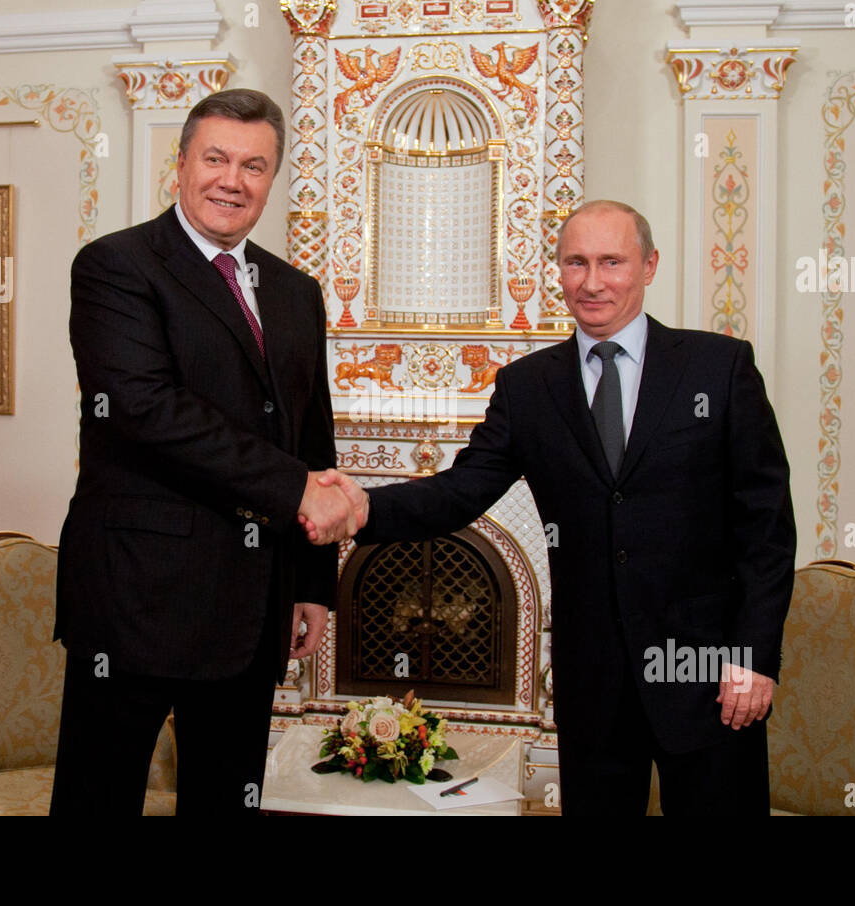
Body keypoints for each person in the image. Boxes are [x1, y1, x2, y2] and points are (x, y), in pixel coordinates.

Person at [308, 201, 796, 815]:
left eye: (612, 262)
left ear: (648, 266)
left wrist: (753, 658)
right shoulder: (528, 386)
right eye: (576, 263)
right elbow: (460, 491)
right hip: (594, 680)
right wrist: (360, 508)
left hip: (707, 673)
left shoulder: (718, 368)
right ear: (558, 272)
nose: (592, 282)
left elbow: (767, 529)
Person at [52, 88, 365, 816]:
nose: (233, 180)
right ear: (180, 164)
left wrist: (312, 578)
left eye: (254, 166)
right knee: (97, 800)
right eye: (216, 158)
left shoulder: (296, 292)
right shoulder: (116, 267)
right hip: (135, 595)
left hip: (251, 605)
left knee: (226, 801)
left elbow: (311, 437)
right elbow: (148, 411)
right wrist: (297, 490)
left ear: (272, 179)